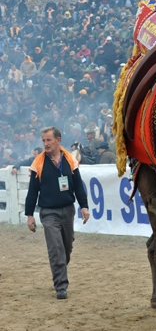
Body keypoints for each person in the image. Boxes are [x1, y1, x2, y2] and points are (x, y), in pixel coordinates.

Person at [25, 127, 90, 300]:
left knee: (66, 247)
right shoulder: (38, 163)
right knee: (56, 248)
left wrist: (84, 206)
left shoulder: (70, 160)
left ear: (58, 140)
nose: (46, 144)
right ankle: (61, 286)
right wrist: (29, 215)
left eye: (49, 140)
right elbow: (32, 192)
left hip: (68, 210)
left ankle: (59, 269)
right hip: (48, 212)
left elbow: (78, 186)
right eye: (44, 140)